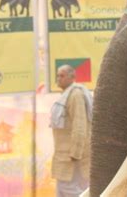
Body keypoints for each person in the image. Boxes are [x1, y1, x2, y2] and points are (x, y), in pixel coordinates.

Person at [50, 65, 92, 197]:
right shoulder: (66, 95)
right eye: (57, 75)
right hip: (65, 155)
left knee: (69, 191)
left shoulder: (75, 95)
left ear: (72, 77)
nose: (58, 79)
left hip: (72, 157)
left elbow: (80, 126)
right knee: (63, 191)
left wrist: (76, 153)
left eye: (62, 76)